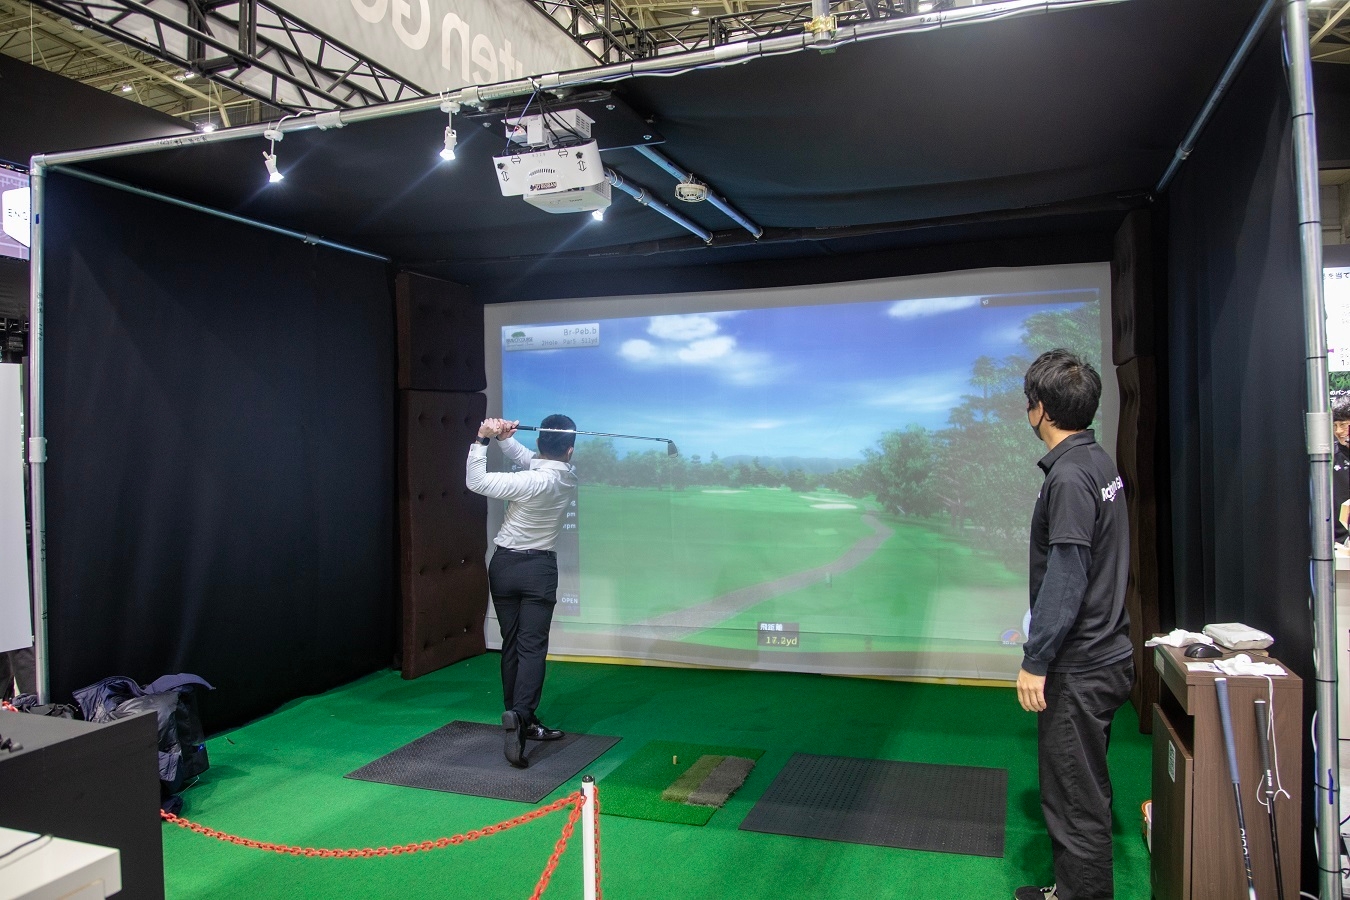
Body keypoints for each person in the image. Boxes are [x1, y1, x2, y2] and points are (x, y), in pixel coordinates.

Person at [1015, 349, 1133, 900]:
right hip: (1105, 653)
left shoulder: (1067, 477)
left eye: (1029, 401)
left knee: (1074, 800)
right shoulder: (1097, 461)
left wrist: (1036, 659)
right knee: (1080, 788)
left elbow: (1066, 575)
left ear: (1041, 408)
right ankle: (1069, 890)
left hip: (1079, 665)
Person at [467, 414, 578, 768]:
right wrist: (504, 439)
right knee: (532, 647)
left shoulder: (528, 479)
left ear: (540, 443)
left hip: (503, 567)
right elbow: (531, 459)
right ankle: (521, 717)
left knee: (512, 643)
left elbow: (475, 481)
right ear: (569, 450)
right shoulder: (567, 476)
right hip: (538, 571)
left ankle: (516, 717)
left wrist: (483, 438)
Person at [1333, 400, 1350, 544]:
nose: (1338, 431)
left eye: (1343, 425)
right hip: (1338, 543)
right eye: (1335, 425)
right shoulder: (1328, 458)